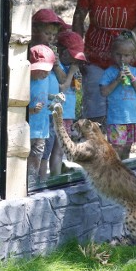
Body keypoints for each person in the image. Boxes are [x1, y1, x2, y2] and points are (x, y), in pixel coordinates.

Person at [30, 9, 68, 181]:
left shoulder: (54, 56)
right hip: (33, 114)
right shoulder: (31, 54)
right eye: (47, 34)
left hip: (48, 115)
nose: (51, 38)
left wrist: (57, 65)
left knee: (43, 154)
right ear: (34, 30)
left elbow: (63, 82)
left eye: (54, 35)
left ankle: (41, 183)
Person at [99, 33, 136, 160]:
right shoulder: (109, 72)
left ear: (133, 57)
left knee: (127, 148)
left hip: (132, 119)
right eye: (118, 55)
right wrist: (117, 80)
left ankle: (124, 170)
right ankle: (115, 172)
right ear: (112, 54)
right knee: (116, 149)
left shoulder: (135, 71)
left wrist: (132, 78)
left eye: (126, 55)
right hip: (116, 120)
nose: (122, 59)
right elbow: (104, 92)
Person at [49, 30, 86, 175]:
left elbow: (77, 90)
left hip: (68, 116)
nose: (74, 60)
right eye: (72, 55)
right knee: (53, 151)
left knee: (59, 151)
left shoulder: (72, 67)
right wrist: (71, 73)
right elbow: (63, 86)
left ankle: (56, 176)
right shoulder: (57, 66)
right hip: (58, 115)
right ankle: (53, 178)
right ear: (61, 51)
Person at [27, 44, 56, 183]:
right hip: (28, 129)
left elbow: (44, 95)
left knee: (37, 158)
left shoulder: (45, 79)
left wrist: (55, 98)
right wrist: (31, 110)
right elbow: (15, 106)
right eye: (42, 70)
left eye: (48, 70)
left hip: (42, 129)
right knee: (24, 159)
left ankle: (32, 184)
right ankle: (24, 185)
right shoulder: (25, 81)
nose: (45, 74)